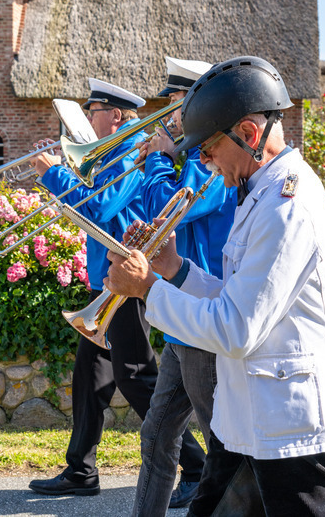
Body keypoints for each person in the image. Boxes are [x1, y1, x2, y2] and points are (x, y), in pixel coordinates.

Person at [106, 56, 325, 516]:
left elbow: (237, 328)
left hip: (286, 431)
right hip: (248, 420)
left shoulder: (287, 205)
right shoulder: (260, 188)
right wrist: (175, 268)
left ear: (249, 133)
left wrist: (147, 290)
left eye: (208, 147)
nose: (201, 160)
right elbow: (232, 296)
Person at [26, 78, 203, 498]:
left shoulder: (131, 154)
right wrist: (62, 174)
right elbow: (92, 207)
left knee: (135, 375)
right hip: (107, 279)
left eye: (95, 111)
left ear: (116, 116)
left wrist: (53, 175)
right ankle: (81, 470)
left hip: (127, 278)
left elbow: (100, 207)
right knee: (89, 375)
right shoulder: (109, 155)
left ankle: (198, 468)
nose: (88, 119)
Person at [131, 57, 238, 515]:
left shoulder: (212, 164)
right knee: (156, 436)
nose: (171, 116)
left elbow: (166, 210)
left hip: (205, 316)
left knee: (226, 450)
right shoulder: (189, 161)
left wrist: (159, 158)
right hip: (180, 316)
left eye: (177, 104)